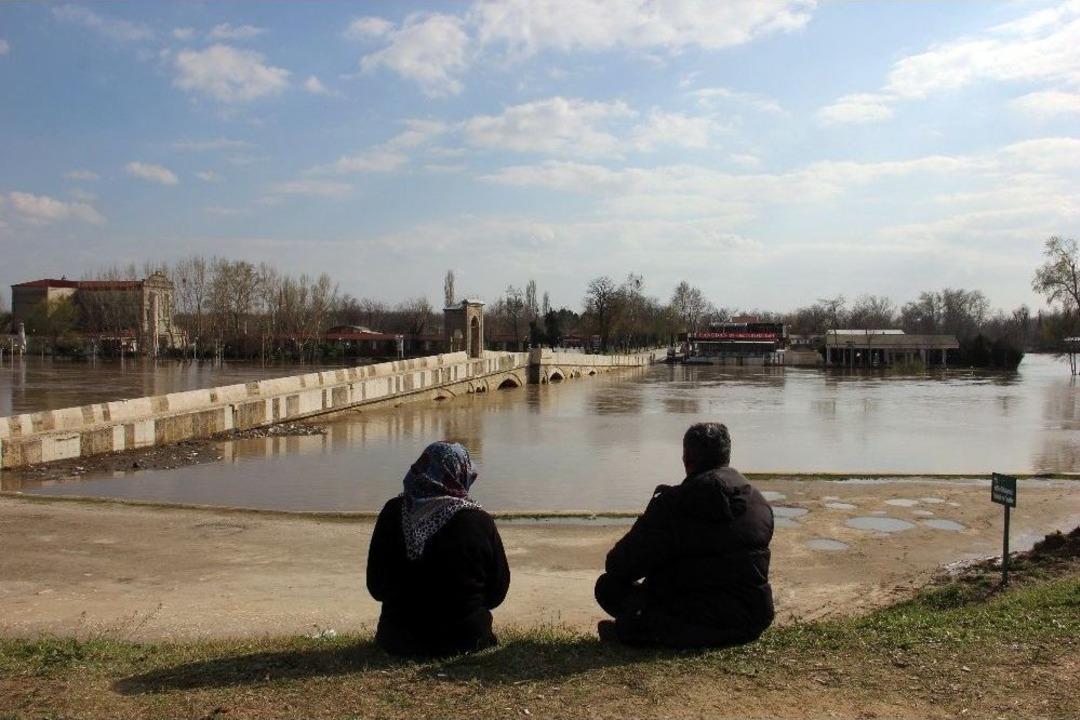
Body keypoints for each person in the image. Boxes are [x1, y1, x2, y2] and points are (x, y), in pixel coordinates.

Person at [594, 422, 774, 648]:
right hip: (752, 618)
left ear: (686, 459)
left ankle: (640, 631)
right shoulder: (758, 501)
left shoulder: (673, 504)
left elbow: (618, 565)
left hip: (695, 618)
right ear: (727, 457)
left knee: (608, 587)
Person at [367, 441, 510, 657]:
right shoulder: (479, 521)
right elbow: (496, 592)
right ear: (462, 473)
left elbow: (376, 587)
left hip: (398, 640)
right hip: (466, 640)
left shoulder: (392, 513)